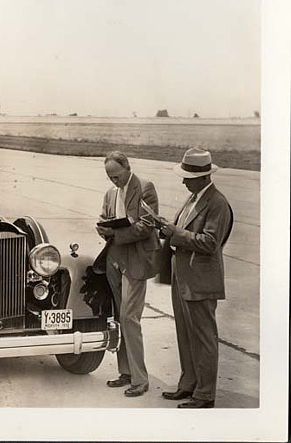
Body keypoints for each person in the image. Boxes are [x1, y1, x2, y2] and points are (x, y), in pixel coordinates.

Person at [158, 148, 233, 409]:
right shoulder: (194, 198)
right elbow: (187, 231)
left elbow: (211, 242)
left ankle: (205, 395)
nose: (183, 181)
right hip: (185, 277)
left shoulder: (217, 203)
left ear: (203, 177)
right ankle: (188, 383)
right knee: (185, 334)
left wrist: (175, 232)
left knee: (203, 338)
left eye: (187, 176)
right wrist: (167, 229)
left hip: (201, 281)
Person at [96, 151, 160, 397]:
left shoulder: (145, 187)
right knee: (120, 317)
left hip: (136, 260)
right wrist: (102, 228)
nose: (114, 181)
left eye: (117, 176)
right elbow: (104, 218)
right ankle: (126, 372)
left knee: (130, 317)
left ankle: (140, 379)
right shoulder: (110, 193)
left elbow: (147, 225)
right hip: (115, 260)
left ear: (127, 167)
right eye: (110, 177)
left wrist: (116, 235)